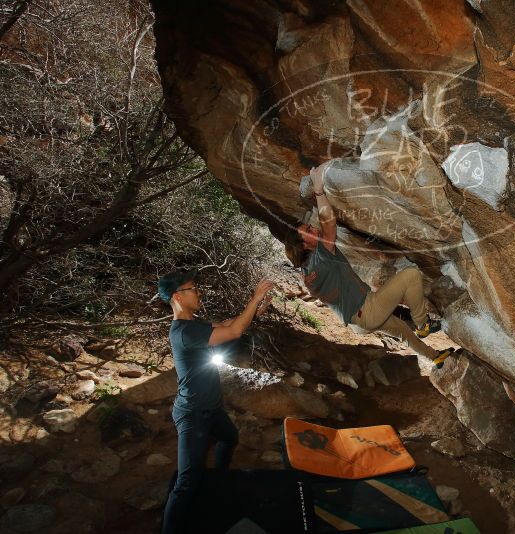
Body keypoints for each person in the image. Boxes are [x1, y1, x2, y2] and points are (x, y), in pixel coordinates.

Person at [285, 163, 455, 368]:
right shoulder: (320, 258)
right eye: (309, 231)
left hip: (359, 321)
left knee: (401, 330)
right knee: (411, 275)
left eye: (310, 227)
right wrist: (319, 190)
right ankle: (423, 324)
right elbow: (329, 224)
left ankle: (434, 356)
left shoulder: (307, 272)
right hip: (366, 312)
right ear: (303, 245)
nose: (314, 229)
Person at [158, 269, 273, 534]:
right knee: (187, 481)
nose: (198, 292)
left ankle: (220, 481)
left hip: (211, 408)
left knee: (229, 438)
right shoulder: (183, 332)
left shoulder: (193, 324)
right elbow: (233, 332)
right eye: (193, 288)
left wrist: (256, 311)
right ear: (178, 296)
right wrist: (255, 298)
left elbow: (227, 324)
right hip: (193, 414)